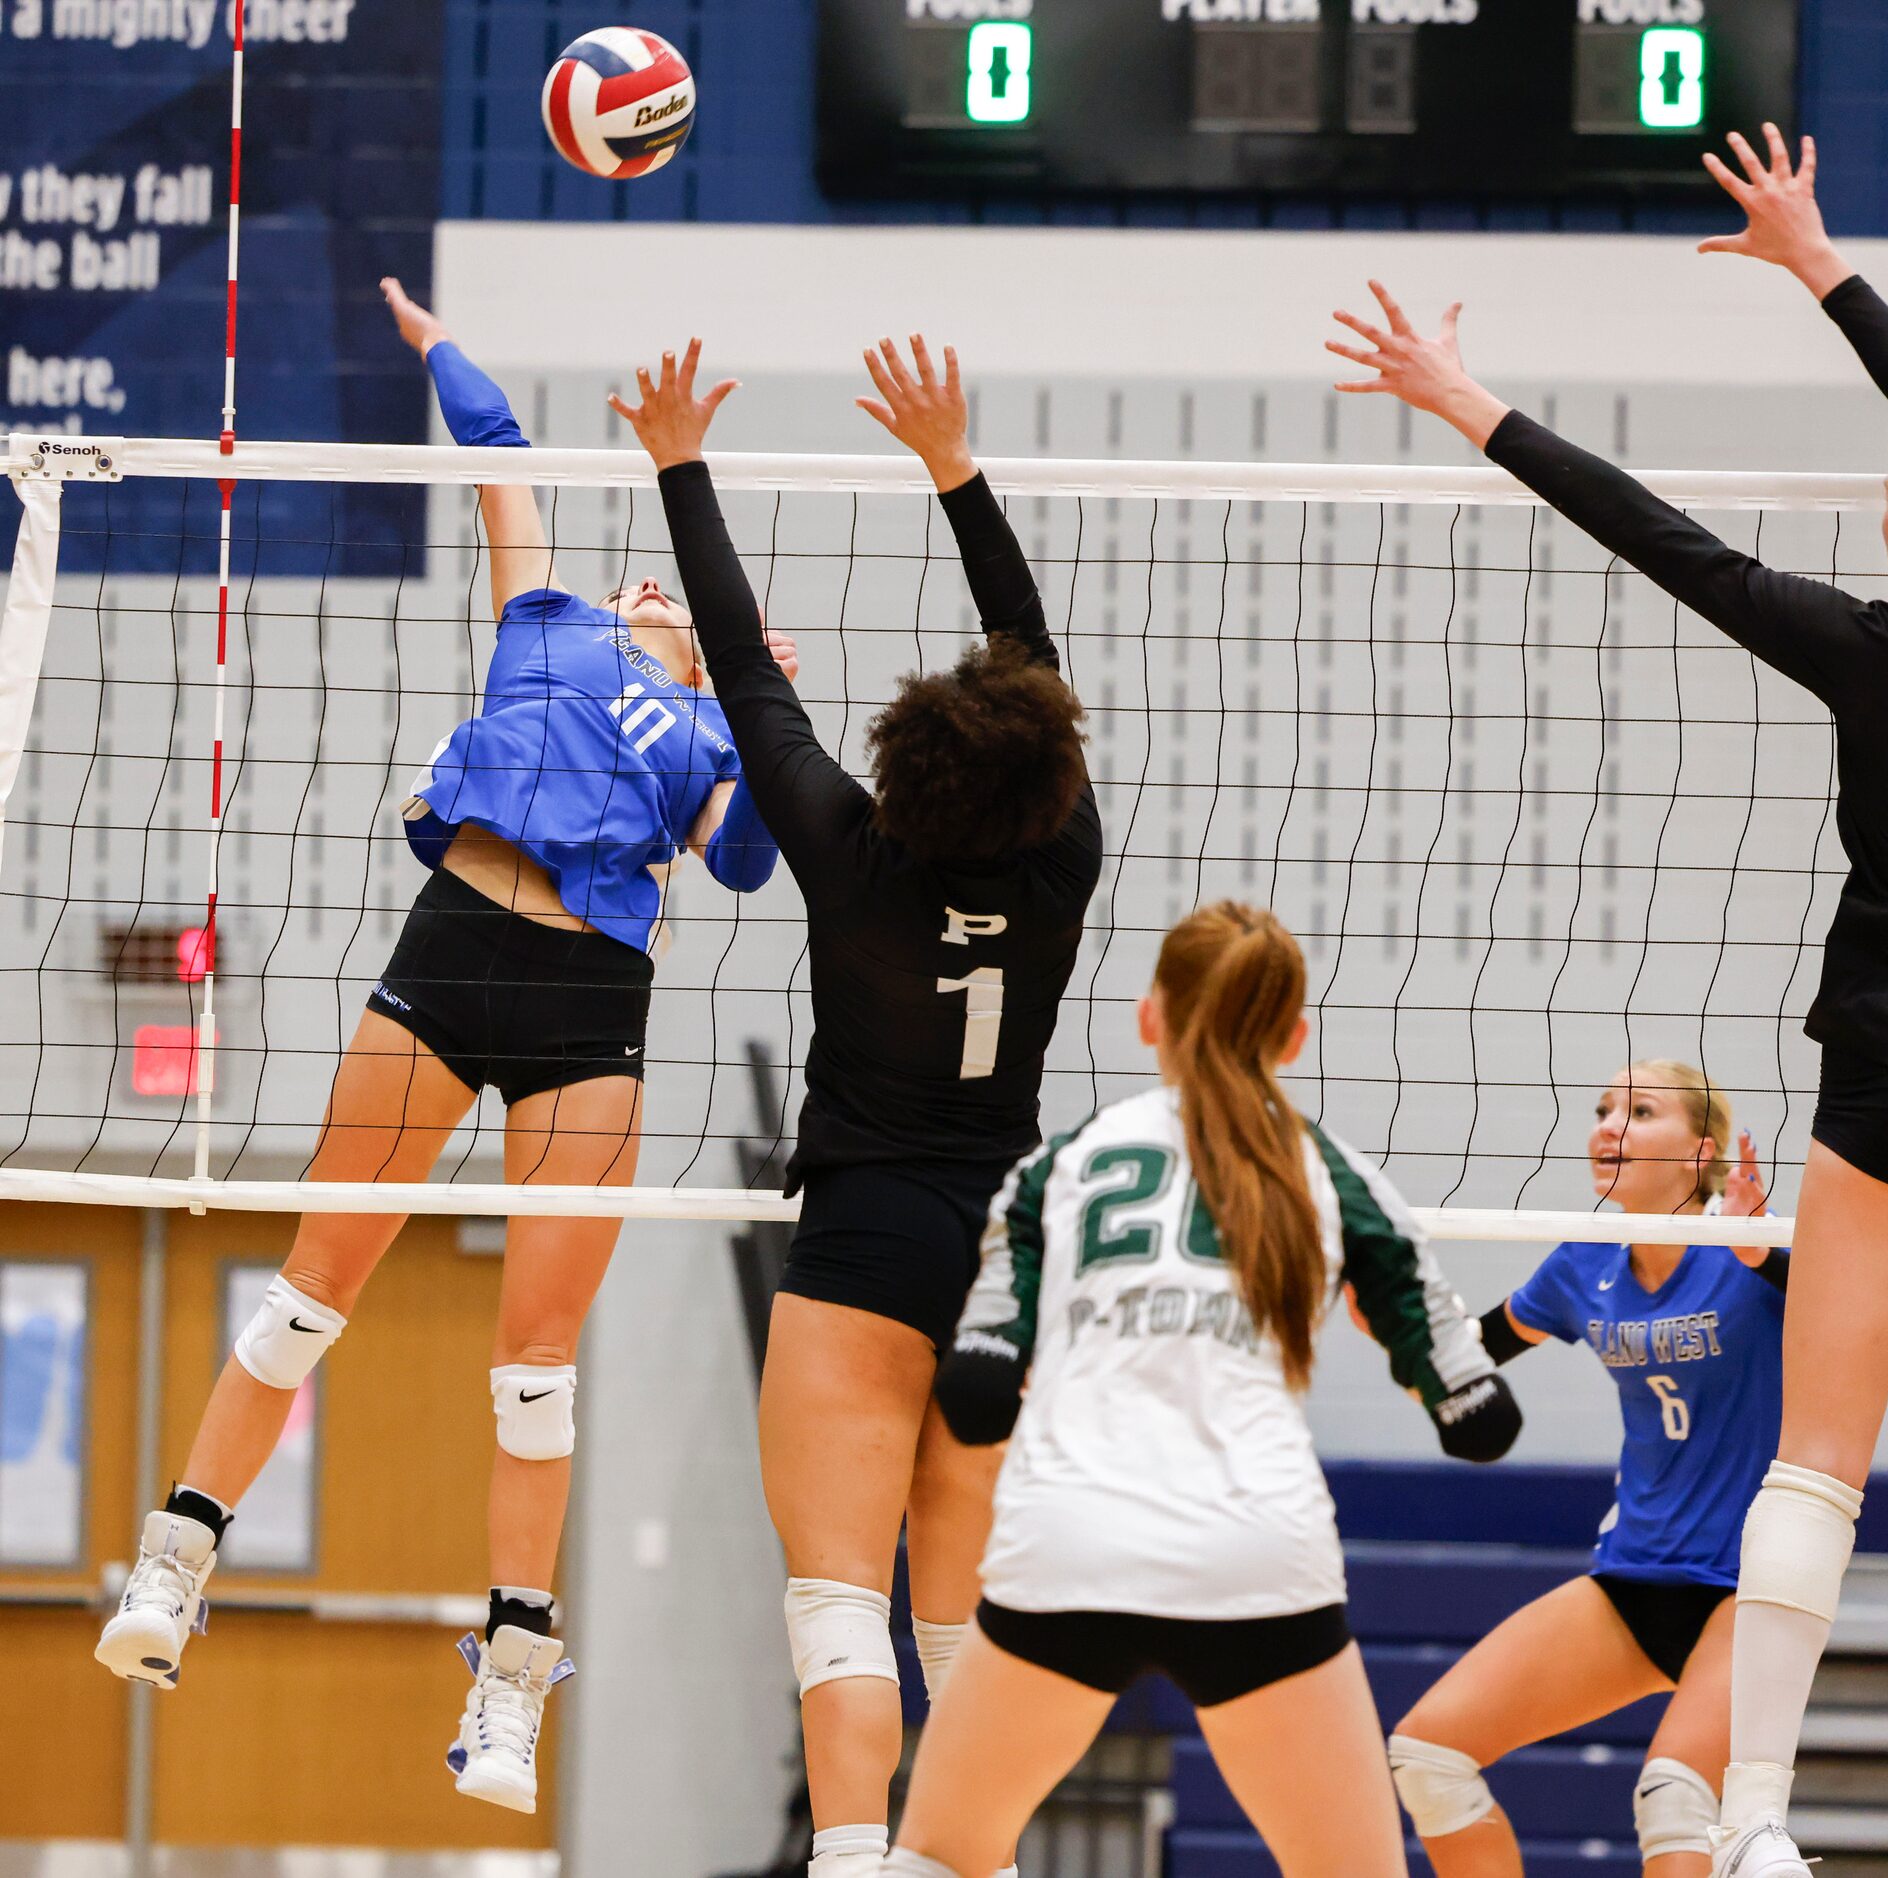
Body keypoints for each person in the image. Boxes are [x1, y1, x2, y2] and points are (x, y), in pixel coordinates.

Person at [1325, 127, 1888, 1878]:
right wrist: (1820, 266)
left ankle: (1763, 1814)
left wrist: (1468, 401)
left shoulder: (1869, 650)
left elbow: (1659, 538)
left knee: (1816, 1464)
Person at [94, 278, 794, 1816]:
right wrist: (435, 343)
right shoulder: (544, 616)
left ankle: (506, 1687)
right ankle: (172, 1563)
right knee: (307, 1292)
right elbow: (497, 456)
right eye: (650, 589)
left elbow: (742, 868)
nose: (654, 595)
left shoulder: (721, 724)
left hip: (590, 1006)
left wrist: (766, 714)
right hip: (452, 948)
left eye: (679, 602)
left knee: (531, 1368)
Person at [611, 334, 1100, 1878]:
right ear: (1044, 778)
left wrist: (676, 458)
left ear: (898, 764)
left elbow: (742, 673)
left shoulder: (847, 851)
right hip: (1004, 1258)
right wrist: (954, 466)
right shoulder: (1061, 859)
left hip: (864, 1240)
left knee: (840, 1604)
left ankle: (845, 1860)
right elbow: (1026, 654)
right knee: (957, 1628)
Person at [871, 900, 1521, 1878]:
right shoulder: (1329, 1173)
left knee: (938, 1857)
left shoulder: (1062, 1164)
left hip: (1070, 1547)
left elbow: (973, 1398)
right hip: (1252, 1555)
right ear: (1293, 1038)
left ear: (1150, 1016)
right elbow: (1478, 1417)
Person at [1388, 1063, 1777, 1878]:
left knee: (1673, 1799)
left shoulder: (1755, 1249)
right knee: (1427, 1756)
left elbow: (1841, 1317)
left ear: (1700, 1151)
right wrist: (1393, 1307)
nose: (1608, 1125)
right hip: (1633, 1579)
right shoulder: (1582, 1262)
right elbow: (1474, 1355)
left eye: (1639, 1111)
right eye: (1602, 1110)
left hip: (1755, 1587)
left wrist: (1765, 1253)